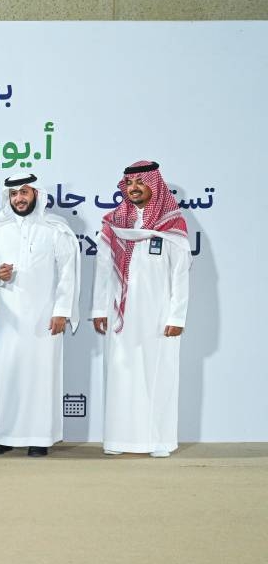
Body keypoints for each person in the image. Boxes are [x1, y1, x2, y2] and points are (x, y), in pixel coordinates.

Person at [91, 160, 190, 457]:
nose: (133, 188)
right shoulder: (114, 223)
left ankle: (159, 441)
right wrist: (98, 310)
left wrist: (177, 316)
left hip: (158, 316)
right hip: (120, 315)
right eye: (129, 183)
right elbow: (103, 270)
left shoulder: (172, 225)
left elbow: (180, 274)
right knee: (121, 374)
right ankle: (118, 440)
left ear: (154, 185)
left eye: (140, 182)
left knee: (158, 375)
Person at [0, 174, 80, 457]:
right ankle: (3, 436)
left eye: (24, 192)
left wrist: (62, 311)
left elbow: (68, 273)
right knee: (6, 373)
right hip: (9, 318)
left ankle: (40, 437)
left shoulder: (55, 229)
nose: (19, 199)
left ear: (36, 194)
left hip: (45, 317)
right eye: (13, 194)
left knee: (41, 376)